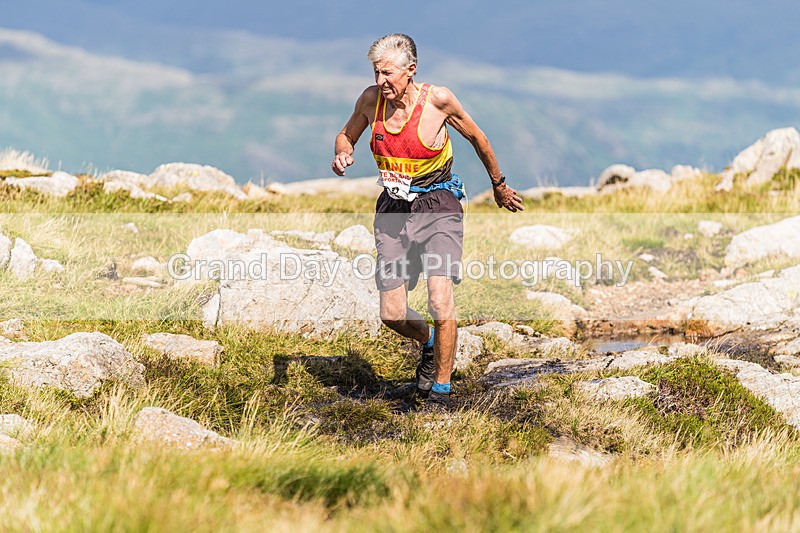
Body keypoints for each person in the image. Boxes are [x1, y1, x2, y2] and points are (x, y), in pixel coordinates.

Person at [332, 33, 523, 408]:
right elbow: (346, 134)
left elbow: (478, 138)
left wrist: (499, 186)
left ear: (411, 70)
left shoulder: (439, 100)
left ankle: (441, 389)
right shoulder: (371, 100)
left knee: (439, 298)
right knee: (392, 314)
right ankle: (430, 342)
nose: (381, 81)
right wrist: (342, 152)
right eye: (376, 72)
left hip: (438, 205)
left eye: (388, 73)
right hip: (393, 209)